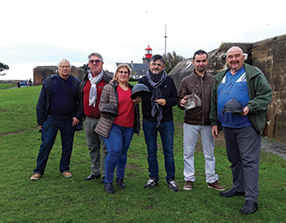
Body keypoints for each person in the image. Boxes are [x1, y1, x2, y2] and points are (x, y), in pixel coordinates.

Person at [210, 46, 272, 214]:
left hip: (247, 126)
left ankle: (251, 199)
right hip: (228, 126)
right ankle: (238, 187)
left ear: (243, 57)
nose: (234, 59)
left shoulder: (253, 74)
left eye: (237, 56)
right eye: (230, 57)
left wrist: (250, 107)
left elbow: (266, 95)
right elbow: (214, 100)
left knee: (249, 162)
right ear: (226, 59)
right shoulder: (221, 77)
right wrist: (215, 122)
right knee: (234, 159)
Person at [178, 49, 225, 191]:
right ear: (193, 62)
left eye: (203, 60)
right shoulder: (186, 80)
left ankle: (211, 179)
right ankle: (189, 178)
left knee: (209, 153)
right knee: (188, 152)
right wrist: (181, 102)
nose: (201, 63)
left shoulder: (214, 80)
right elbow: (180, 99)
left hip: (208, 123)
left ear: (207, 62)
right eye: (198, 61)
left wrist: (216, 122)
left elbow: (218, 101)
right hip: (190, 121)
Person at [31, 58, 81, 180]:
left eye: (67, 66)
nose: (65, 68)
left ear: (70, 68)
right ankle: (38, 171)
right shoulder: (49, 82)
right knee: (46, 145)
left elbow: (81, 102)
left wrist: (77, 116)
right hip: (51, 119)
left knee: (67, 146)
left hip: (69, 120)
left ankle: (64, 169)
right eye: (63, 66)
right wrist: (40, 121)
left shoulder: (76, 83)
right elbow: (41, 102)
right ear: (58, 68)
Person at [95, 64, 140, 194]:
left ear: (129, 74)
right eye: (121, 72)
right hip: (112, 124)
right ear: (116, 73)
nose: (123, 74)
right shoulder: (109, 88)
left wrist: (138, 101)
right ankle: (108, 181)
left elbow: (138, 102)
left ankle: (120, 178)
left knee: (123, 153)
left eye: (126, 72)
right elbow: (101, 105)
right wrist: (107, 112)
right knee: (114, 151)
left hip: (129, 126)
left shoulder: (133, 89)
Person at [138, 54, 179, 192]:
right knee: (151, 152)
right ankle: (153, 178)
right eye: (154, 64)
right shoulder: (143, 81)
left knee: (168, 152)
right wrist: (137, 100)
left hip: (166, 121)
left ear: (163, 67)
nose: (156, 66)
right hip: (149, 120)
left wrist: (166, 102)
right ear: (149, 65)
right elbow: (137, 97)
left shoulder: (169, 80)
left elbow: (175, 99)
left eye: (159, 64)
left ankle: (171, 179)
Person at [79, 53, 112, 183]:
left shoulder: (108, 79)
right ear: (88, 64)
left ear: (102, 63)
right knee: (92, 147)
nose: (94, 63)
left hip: (103, 119)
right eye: (92, 61)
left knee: (105, 148)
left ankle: (105, 174)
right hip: (88, 119)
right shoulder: (84, 80)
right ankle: (95, 172)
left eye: (97, 61)